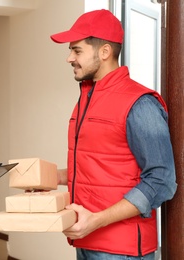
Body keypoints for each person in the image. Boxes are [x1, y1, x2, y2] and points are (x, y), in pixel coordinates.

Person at [50, 9, 177, 260]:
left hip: (122, 252)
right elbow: (101, 166)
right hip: (86, 239)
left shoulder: (139, 103)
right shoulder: (88, 97)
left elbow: (161, 180)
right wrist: (51, 178)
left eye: (77, 50)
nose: (69, 58)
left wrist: (97, 220)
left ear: (105, 52)